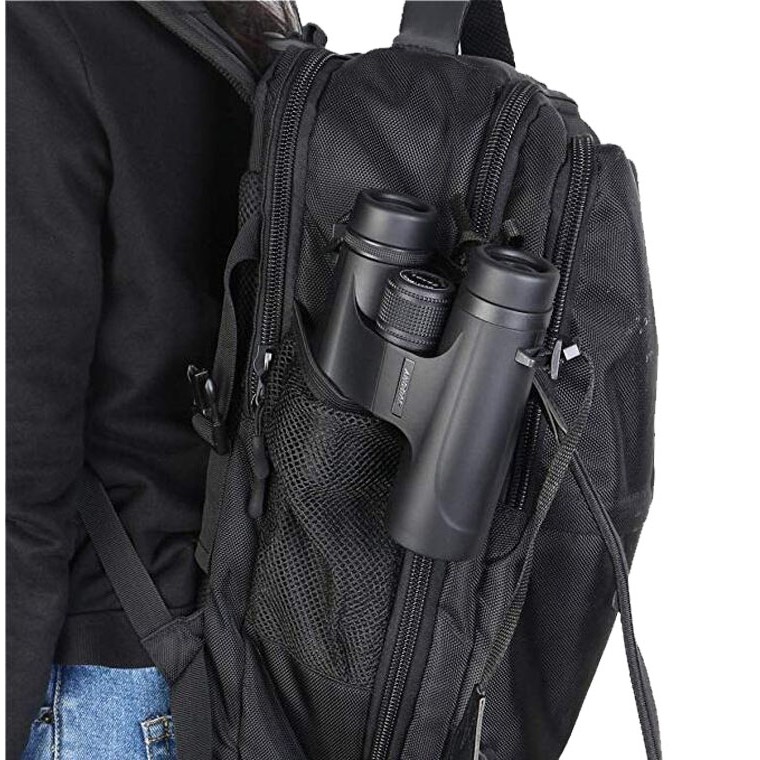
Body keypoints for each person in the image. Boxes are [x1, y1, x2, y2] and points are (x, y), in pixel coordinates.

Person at [6, 3, 299, 757]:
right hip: (230, 664)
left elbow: (21, 446)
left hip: (90, 694)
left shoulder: (44, 29)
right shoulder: (253, 24)